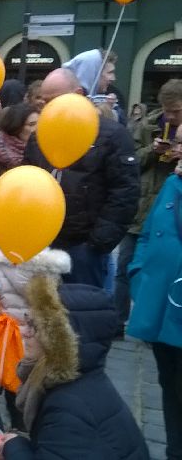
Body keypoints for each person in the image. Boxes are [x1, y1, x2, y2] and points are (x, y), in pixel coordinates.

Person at [0, 276, 149, 460]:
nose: (22, 331)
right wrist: (14, 443)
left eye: (33, 327)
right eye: (26, 320)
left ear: (58, 342)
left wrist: (13, 445)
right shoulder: (79, 383)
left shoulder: (67, 409)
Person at [24, 68, 139, 288]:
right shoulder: (39, 136)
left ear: (78, 93)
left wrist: (98, 243)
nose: (47, 108)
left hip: (85, 248)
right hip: (44, 242)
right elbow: (28, 180)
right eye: (43, 102)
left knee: (82, 313)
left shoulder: (112, 135)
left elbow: (124, 193)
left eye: (54, 100)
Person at [0, 246, 71, 434]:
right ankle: (17, 437)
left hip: (0, 349)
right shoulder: (51, 271)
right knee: (18, 396)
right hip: (29, 350)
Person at [127, 142, 182, 460]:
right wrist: (139, 273)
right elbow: (148, 233)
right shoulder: (173, 183)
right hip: (161, 303)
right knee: (169, 384)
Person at [117, 79, 182, 333]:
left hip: (173, 215)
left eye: (176, 110)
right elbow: (130, 162)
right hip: (144, 208)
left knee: (166, 271)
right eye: (167, 110)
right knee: (125, 266)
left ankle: (161, 322)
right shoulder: (149, 126)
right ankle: (119, 321)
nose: (170, 116)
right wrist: (152, 151)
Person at [0, 103, 39, 195]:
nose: (37, 128)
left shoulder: (42, 153)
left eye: (40, 122)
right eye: (32, 124)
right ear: (17, 127)